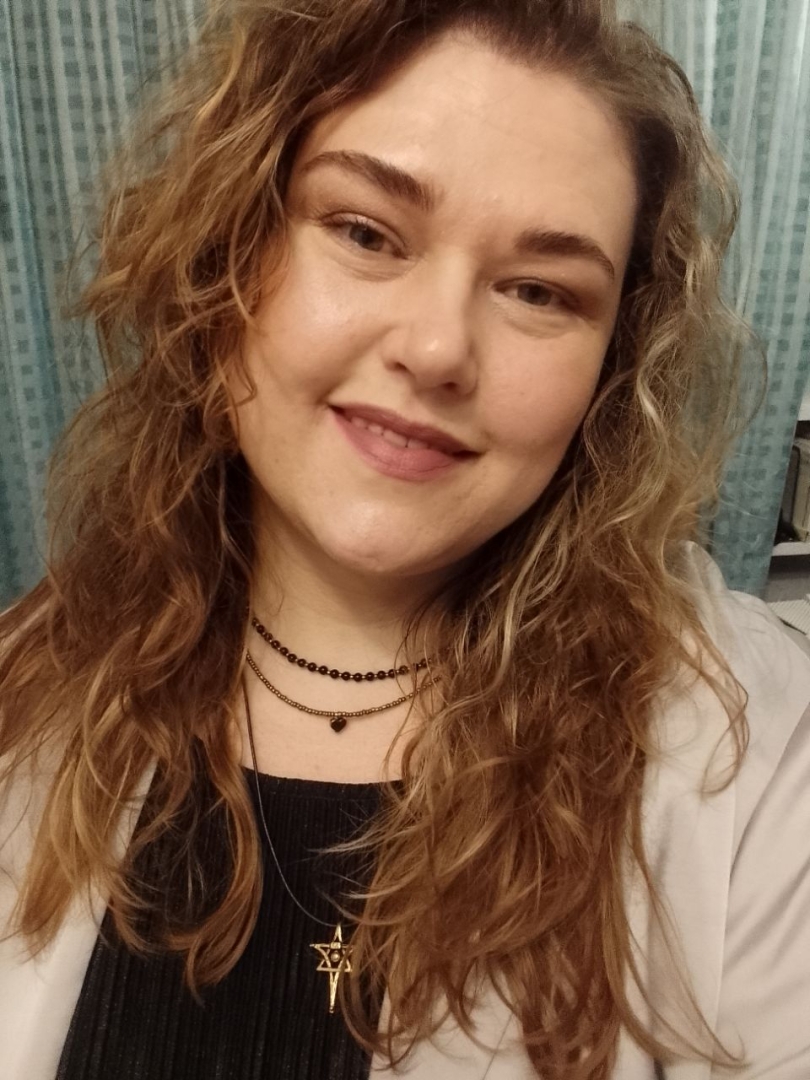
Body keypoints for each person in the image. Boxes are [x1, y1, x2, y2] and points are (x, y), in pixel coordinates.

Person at [1, 0, 808, 1077]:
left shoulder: (762, 754)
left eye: (539, 291)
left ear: (611, 370)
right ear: (226, 251)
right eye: (365, 233)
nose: (436, 350)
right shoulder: (33, 679)